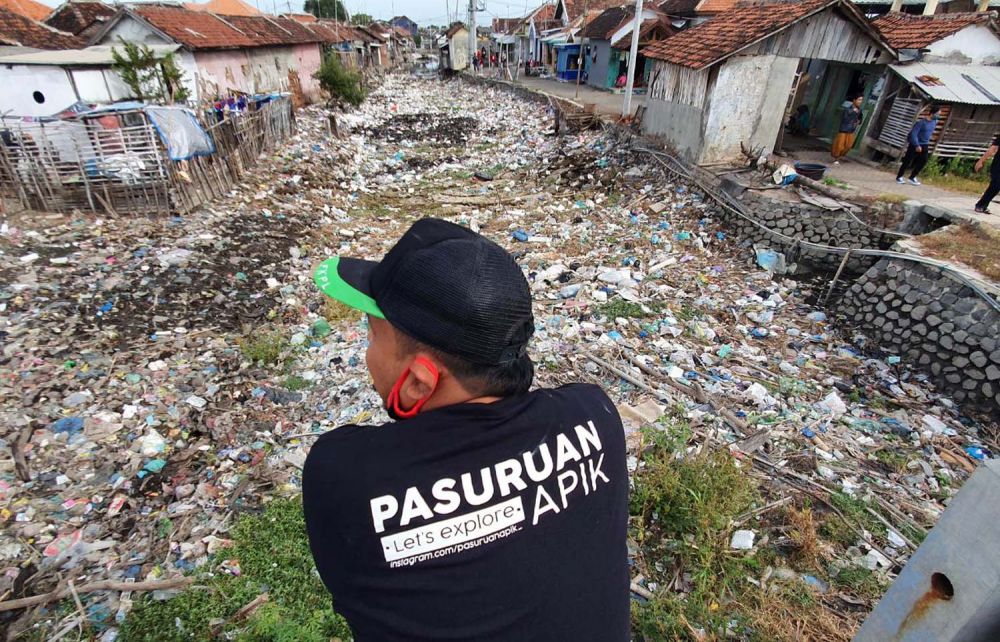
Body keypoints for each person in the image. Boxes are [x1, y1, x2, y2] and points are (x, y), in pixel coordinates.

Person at [303, 218, 629, 641]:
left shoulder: (343, 474)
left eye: (371, 335)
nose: (367, 353)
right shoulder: (594, 415)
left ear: (420, 380)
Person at [897, 105, 940, 185]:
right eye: (938, 114)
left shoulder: (935, 121)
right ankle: (899, 177)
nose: (939, 116)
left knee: (923, 161)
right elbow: (914, 134)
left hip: (925, 144)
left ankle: (912, 177)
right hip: (915, 144)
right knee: (907, 161)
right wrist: (917, 145)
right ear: (932, 114)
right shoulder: (921, 123)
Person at [830, 95, 864, 164]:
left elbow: (860, 119)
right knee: (840, 146)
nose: (860, 101)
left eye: (861, 100)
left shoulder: (859, 110)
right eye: (859, 100)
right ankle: (836, 158)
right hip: (843, 129)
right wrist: (852, 112)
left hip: (851, 130)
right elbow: (844, 118)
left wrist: (858, 122)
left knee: (848, 146)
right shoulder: (847, 109)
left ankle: (839, 155)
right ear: (854, 100)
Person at [974, 134, 1000, 213]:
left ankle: (982, 205)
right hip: (998, 165)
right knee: (996, 185)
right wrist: (981, 161)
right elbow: (992, 149)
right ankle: (980, 205)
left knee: (996, 186)